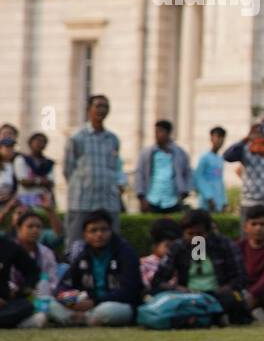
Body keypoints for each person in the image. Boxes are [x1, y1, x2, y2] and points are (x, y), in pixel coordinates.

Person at [150, 208, 252, 324]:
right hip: (187, 297)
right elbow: (158, 280)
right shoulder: (177, 248)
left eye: (199, 234)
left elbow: (241, 278)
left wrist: (222, 290)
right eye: (190, 234)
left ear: (208, 232)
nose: (195, 239)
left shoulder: (225, 245)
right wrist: (178, 289)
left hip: (218, 295)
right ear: (184, 233)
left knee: (234, 299)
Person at [55, 209, 141, 326]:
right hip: (86, 303)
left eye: (104, 230)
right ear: (85, 235)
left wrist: (94, 302)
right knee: (52, 302)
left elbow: (130, 291)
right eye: (93, 230)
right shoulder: (83, 255)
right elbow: (64, 285)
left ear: (111, 231)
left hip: (117, 305)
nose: (99, 234)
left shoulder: (125, 253)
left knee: (105, 311)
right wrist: (69, 300)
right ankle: (81, 318)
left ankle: (79, 319)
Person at [64, 95, 123, 246]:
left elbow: (114, 168)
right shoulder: (77, 138)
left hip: (107, 200)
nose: (101, 110)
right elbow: (68, 170)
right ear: (88, 109)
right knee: (75, 244)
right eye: (98, 106)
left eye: (105, 106)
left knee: (111, 243)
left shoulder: (113, 139)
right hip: (82, 200)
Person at [6, 210, 62, 327]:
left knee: (52, 305)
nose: (35, 230)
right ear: (19, 229)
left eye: (38, 227)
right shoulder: (8, 251)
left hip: (42, 297)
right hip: (12, 297)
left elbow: (53, 281)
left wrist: (41, 293)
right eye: (30, 226)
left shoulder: (46, 253)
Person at [134, 119, 193, 213]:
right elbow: (139, 174)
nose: (156, 135)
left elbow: (188, 173)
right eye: (156, 132)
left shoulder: (180, 153)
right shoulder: (147, 153)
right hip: (152, 199)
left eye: (160, 131)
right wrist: (141, 197)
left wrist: (185, 192)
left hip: (173, 200)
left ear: (168, 133)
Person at [0, 226, 40, 329]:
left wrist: (21, 291)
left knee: (26, 306)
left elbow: (32, 271)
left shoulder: (7, 246)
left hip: (4, 305)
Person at [14, 132, 56, 210]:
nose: (40, 144)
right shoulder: (21, 159)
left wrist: (33, 181)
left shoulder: (48, 163)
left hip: (44, 200)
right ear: (30, 143)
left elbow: (50, 183)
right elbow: (23, 182)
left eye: (43, 142)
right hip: (26, 200)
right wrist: (40, 181)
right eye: (38, 141)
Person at [139, 217, 183, 291]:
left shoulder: (181, 262)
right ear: (155, 245)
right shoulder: (144, 264)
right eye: (168, 246)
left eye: (175, 246)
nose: (172, 250)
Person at [194, 126, 228, 213]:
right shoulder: (205, 157)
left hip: (218, 200)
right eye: (218, 137)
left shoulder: (220, 159)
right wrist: (208, 197)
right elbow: (198, 177)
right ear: (212, 138)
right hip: (207, 201)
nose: (220, 140)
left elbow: (220, 180)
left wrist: (224, 201)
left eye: (222, 138)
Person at [0, 136, 18, 228]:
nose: (10, 150)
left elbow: (17, 188)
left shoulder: (14, 165)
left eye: (12, 148)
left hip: (9, 204)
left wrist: (7, 206)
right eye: (7, 147)